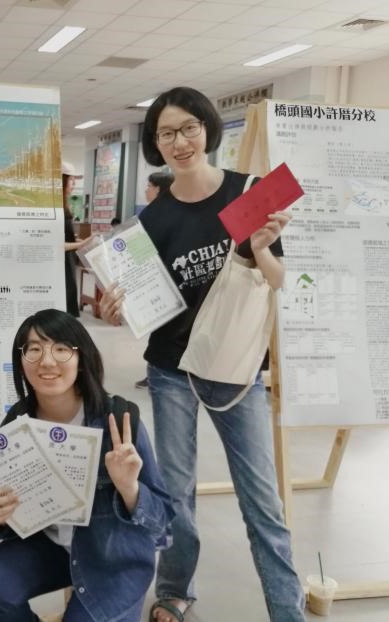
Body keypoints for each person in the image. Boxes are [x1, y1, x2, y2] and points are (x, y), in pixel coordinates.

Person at [100, 87, 303, 622]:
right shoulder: (152, 220)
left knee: (262, 499)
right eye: (166, 133)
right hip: (172, 369)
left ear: (208, 129)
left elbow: (279, 280)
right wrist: (119, 309)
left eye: (189, 127)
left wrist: (262, 249)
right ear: (156, 143)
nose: (180, 141)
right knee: (177, 490)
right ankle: (174, 588)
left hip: (236, 367)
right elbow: (145, 304)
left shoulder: (248, 193)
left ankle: (287, 610)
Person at [0, 308, 173, 622]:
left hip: (112, 559)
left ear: (81, 358)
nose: (47, 361)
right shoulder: (17, 422)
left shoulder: (118, 421)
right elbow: (10, 507)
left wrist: (129, 488)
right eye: (34, 349)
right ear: (21, 361)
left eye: (61, 349)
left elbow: (163, 521)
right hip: (52, 548)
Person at [134, 172, 174, 390]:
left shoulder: (152, 213)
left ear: (158, 189)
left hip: (157, 280)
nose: (146, 190)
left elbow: (138, 248)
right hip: (172, 280)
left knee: (161, 331)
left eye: (148, 186)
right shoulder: (176, 209)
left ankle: (156, 373)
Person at [62, 162, 90, 317]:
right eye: (71, 180)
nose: (74, 184)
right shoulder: (56, 208)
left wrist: (78, 241)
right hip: (61, 264)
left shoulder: (64, 205)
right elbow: (55, 244)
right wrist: (81, 244)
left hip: (68, 261)